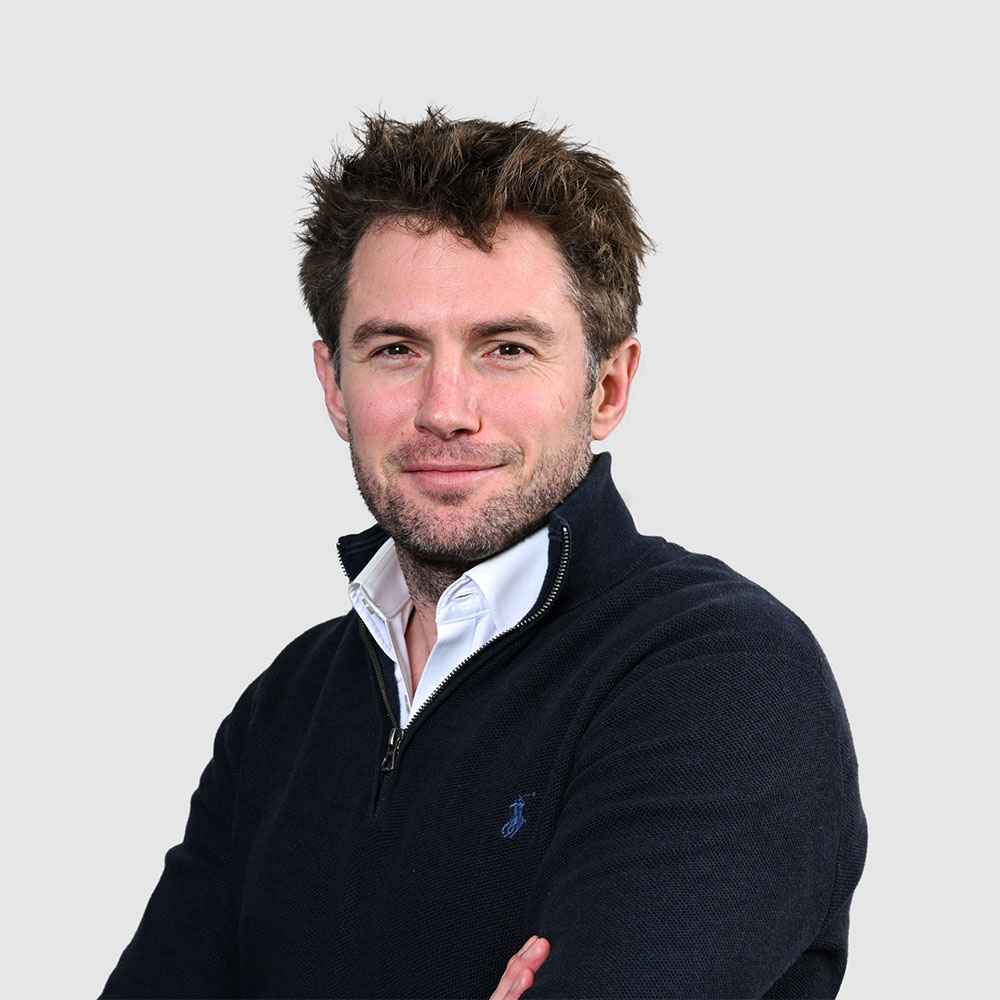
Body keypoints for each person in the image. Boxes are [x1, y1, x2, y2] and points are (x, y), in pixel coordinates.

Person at [101, 110, 866, 999]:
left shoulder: (722, 677)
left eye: (506, 349)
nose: (446, 410)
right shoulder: (285, 710)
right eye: (396, 349)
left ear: (607, 386)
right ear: (334, 386)